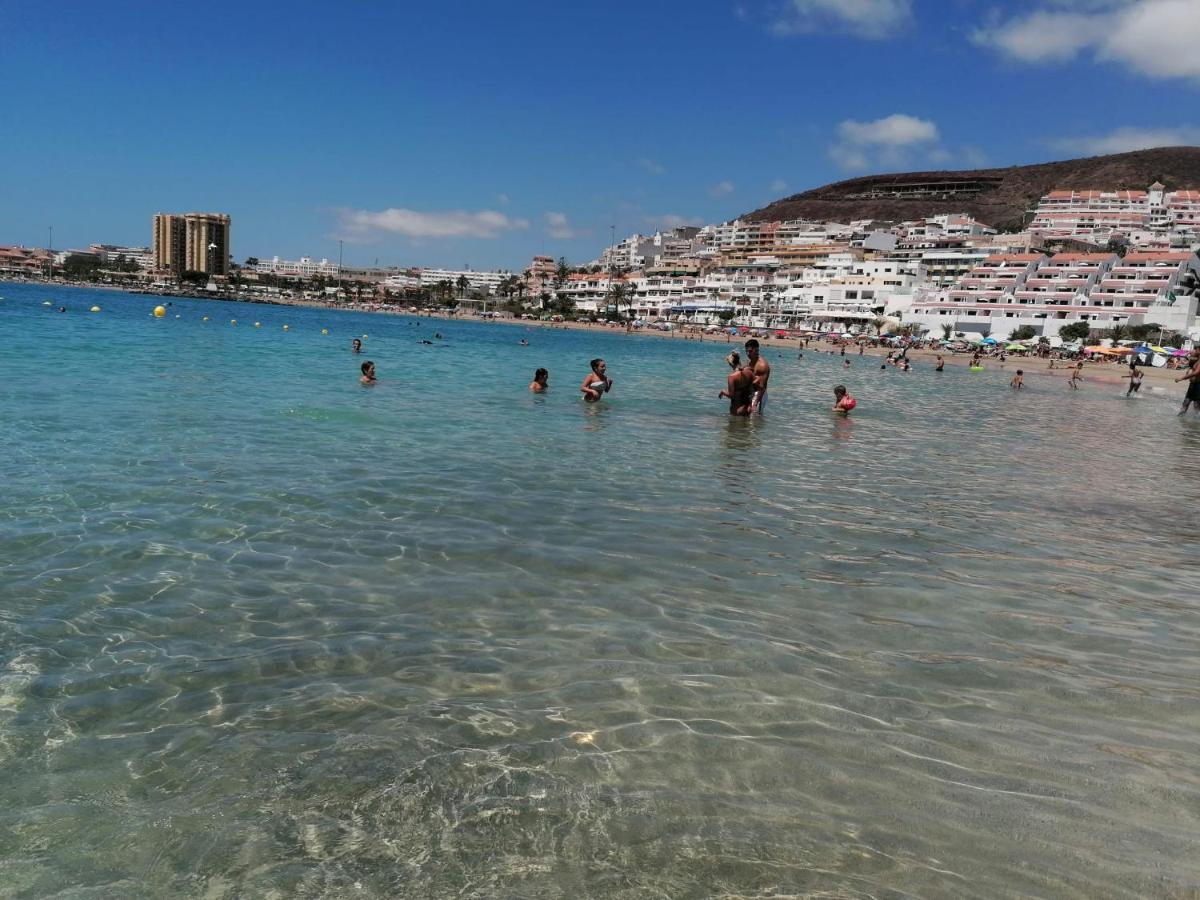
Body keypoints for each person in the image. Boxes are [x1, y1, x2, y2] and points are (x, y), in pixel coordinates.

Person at [744, 339, 771, 413]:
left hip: (759, 395)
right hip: (751, 393)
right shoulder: (749, 361)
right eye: (746, 351)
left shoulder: (762, 365)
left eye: (749, 351)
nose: (747, 353)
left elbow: (762, 387)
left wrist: (755, 403)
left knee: (754, 419)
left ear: (756, 350)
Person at [1175, 350, 1200, 414]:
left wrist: (1182, 378)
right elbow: (1190, 360)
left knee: (1196, 406)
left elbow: (1196, 372)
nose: (1194, 351)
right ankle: (1181, 419)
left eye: (1196, 350)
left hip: (1198, 386)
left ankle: (1195, 422)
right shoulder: (1197, 360)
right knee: (1186, 402)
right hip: (1193, 385)